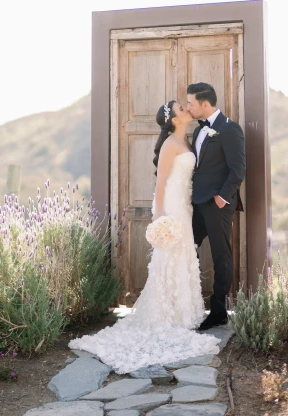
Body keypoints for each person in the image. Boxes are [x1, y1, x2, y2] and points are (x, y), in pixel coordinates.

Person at [68, 101, 220, 373]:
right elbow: (160, 182)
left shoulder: (184, 139)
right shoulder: (170, 144)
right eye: (180, 109)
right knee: (170, 255)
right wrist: (160, 215)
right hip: (171, 205)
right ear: (173, 120)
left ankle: (183, 311)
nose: (186, 109)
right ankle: (166, 313)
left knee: (184, 253)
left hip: (184, 204)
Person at [186, 82, 246, 331]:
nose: (188, 107)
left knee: (221, 254)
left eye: (191, 103)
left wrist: (222, 198)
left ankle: (219, 311)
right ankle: (190, 301)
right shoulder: (199, 131)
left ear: (205, 104)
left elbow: (238, 169)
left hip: (218, 203)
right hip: (197, 202)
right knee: (187, 248)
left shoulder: (230, 129)